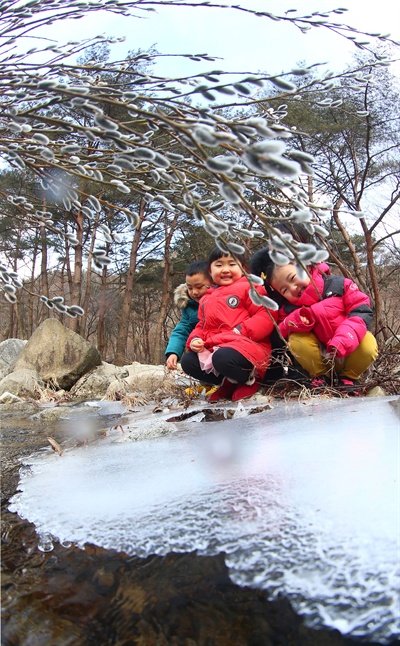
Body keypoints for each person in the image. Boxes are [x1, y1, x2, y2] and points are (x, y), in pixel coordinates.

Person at [263, 259, 378, 390]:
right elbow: (281, 330)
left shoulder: (339, 285)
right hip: (321, 359)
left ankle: (348, 378)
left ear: (306, 266)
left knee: (368, 343)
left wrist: (344, 339)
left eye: (293, 278)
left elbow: (360, 311)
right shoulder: (289, 308)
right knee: (296, 340)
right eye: (285, 290)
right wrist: (298, 319)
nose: (293, 288)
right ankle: (321, 377)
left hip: (349, 348)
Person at [181, 246, 278, 402]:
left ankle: (250, 379)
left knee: (222, 358)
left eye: (232, 264)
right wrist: (195, 340)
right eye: (219, 265)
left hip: (247, 346)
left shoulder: (250, 287)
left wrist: (242, 330)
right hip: (217, 346)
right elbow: (202, 325)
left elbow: (266, 315)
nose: (225, 269)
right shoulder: (207, 298)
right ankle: (228, 383)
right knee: (188, 361)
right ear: (210, 272)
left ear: (243, 268)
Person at [165, 261, 213, 371]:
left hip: (223, 347)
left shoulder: (222, 301)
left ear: (213, 282)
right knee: (188, 360)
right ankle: (207, 382)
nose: (194, 292)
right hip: (201, 349)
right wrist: (173, 352)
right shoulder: (189, 307)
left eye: (199, 287)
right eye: (190, 288)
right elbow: (182, 330)